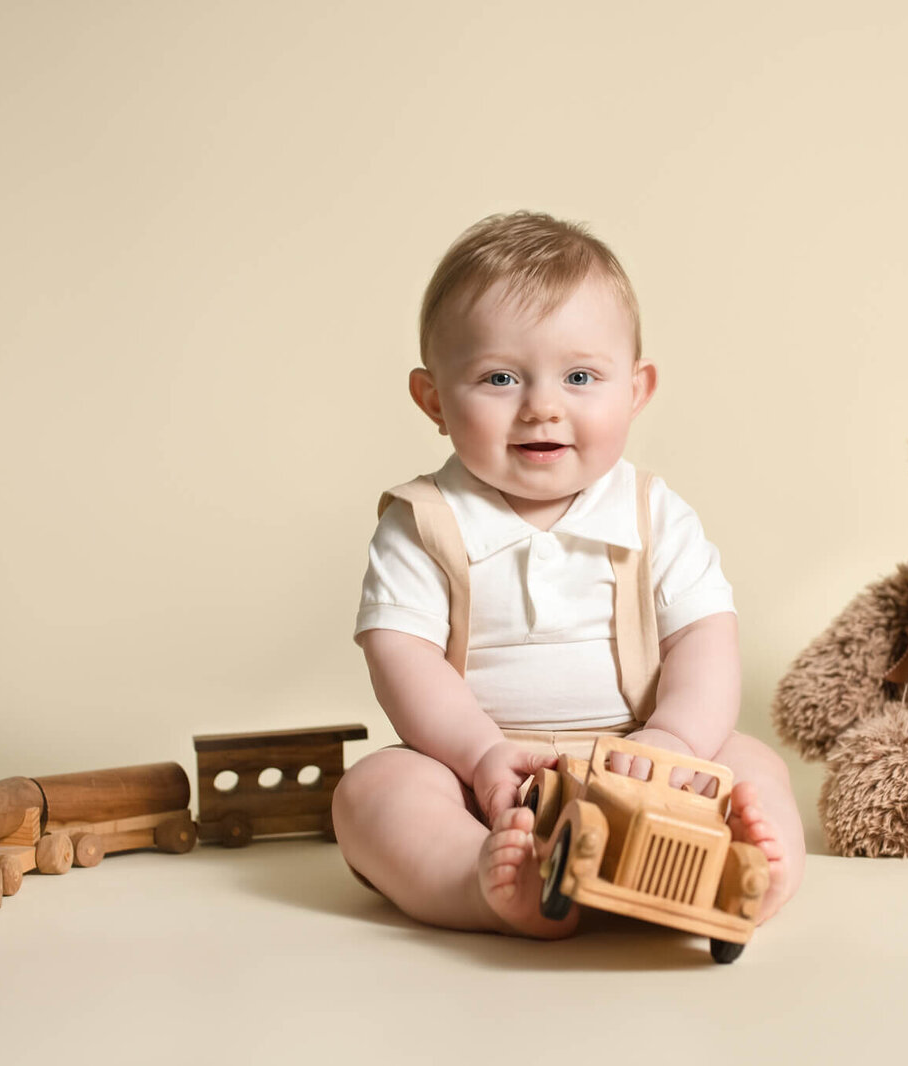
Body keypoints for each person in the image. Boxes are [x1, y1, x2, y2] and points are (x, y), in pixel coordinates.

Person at [334, 211, 804, 938]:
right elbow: (402, 655)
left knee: (750, 762)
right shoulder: (424, 521)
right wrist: (481, 753)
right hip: (482, 773)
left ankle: (743, 879)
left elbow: (705, 638)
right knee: (374, 790)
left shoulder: (655, 514)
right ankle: (487, 880)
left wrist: (675, 739)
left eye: (581, 376)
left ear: (637, 390)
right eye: (498, 378)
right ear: (433, 400)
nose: (542, 406)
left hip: (640, 750)